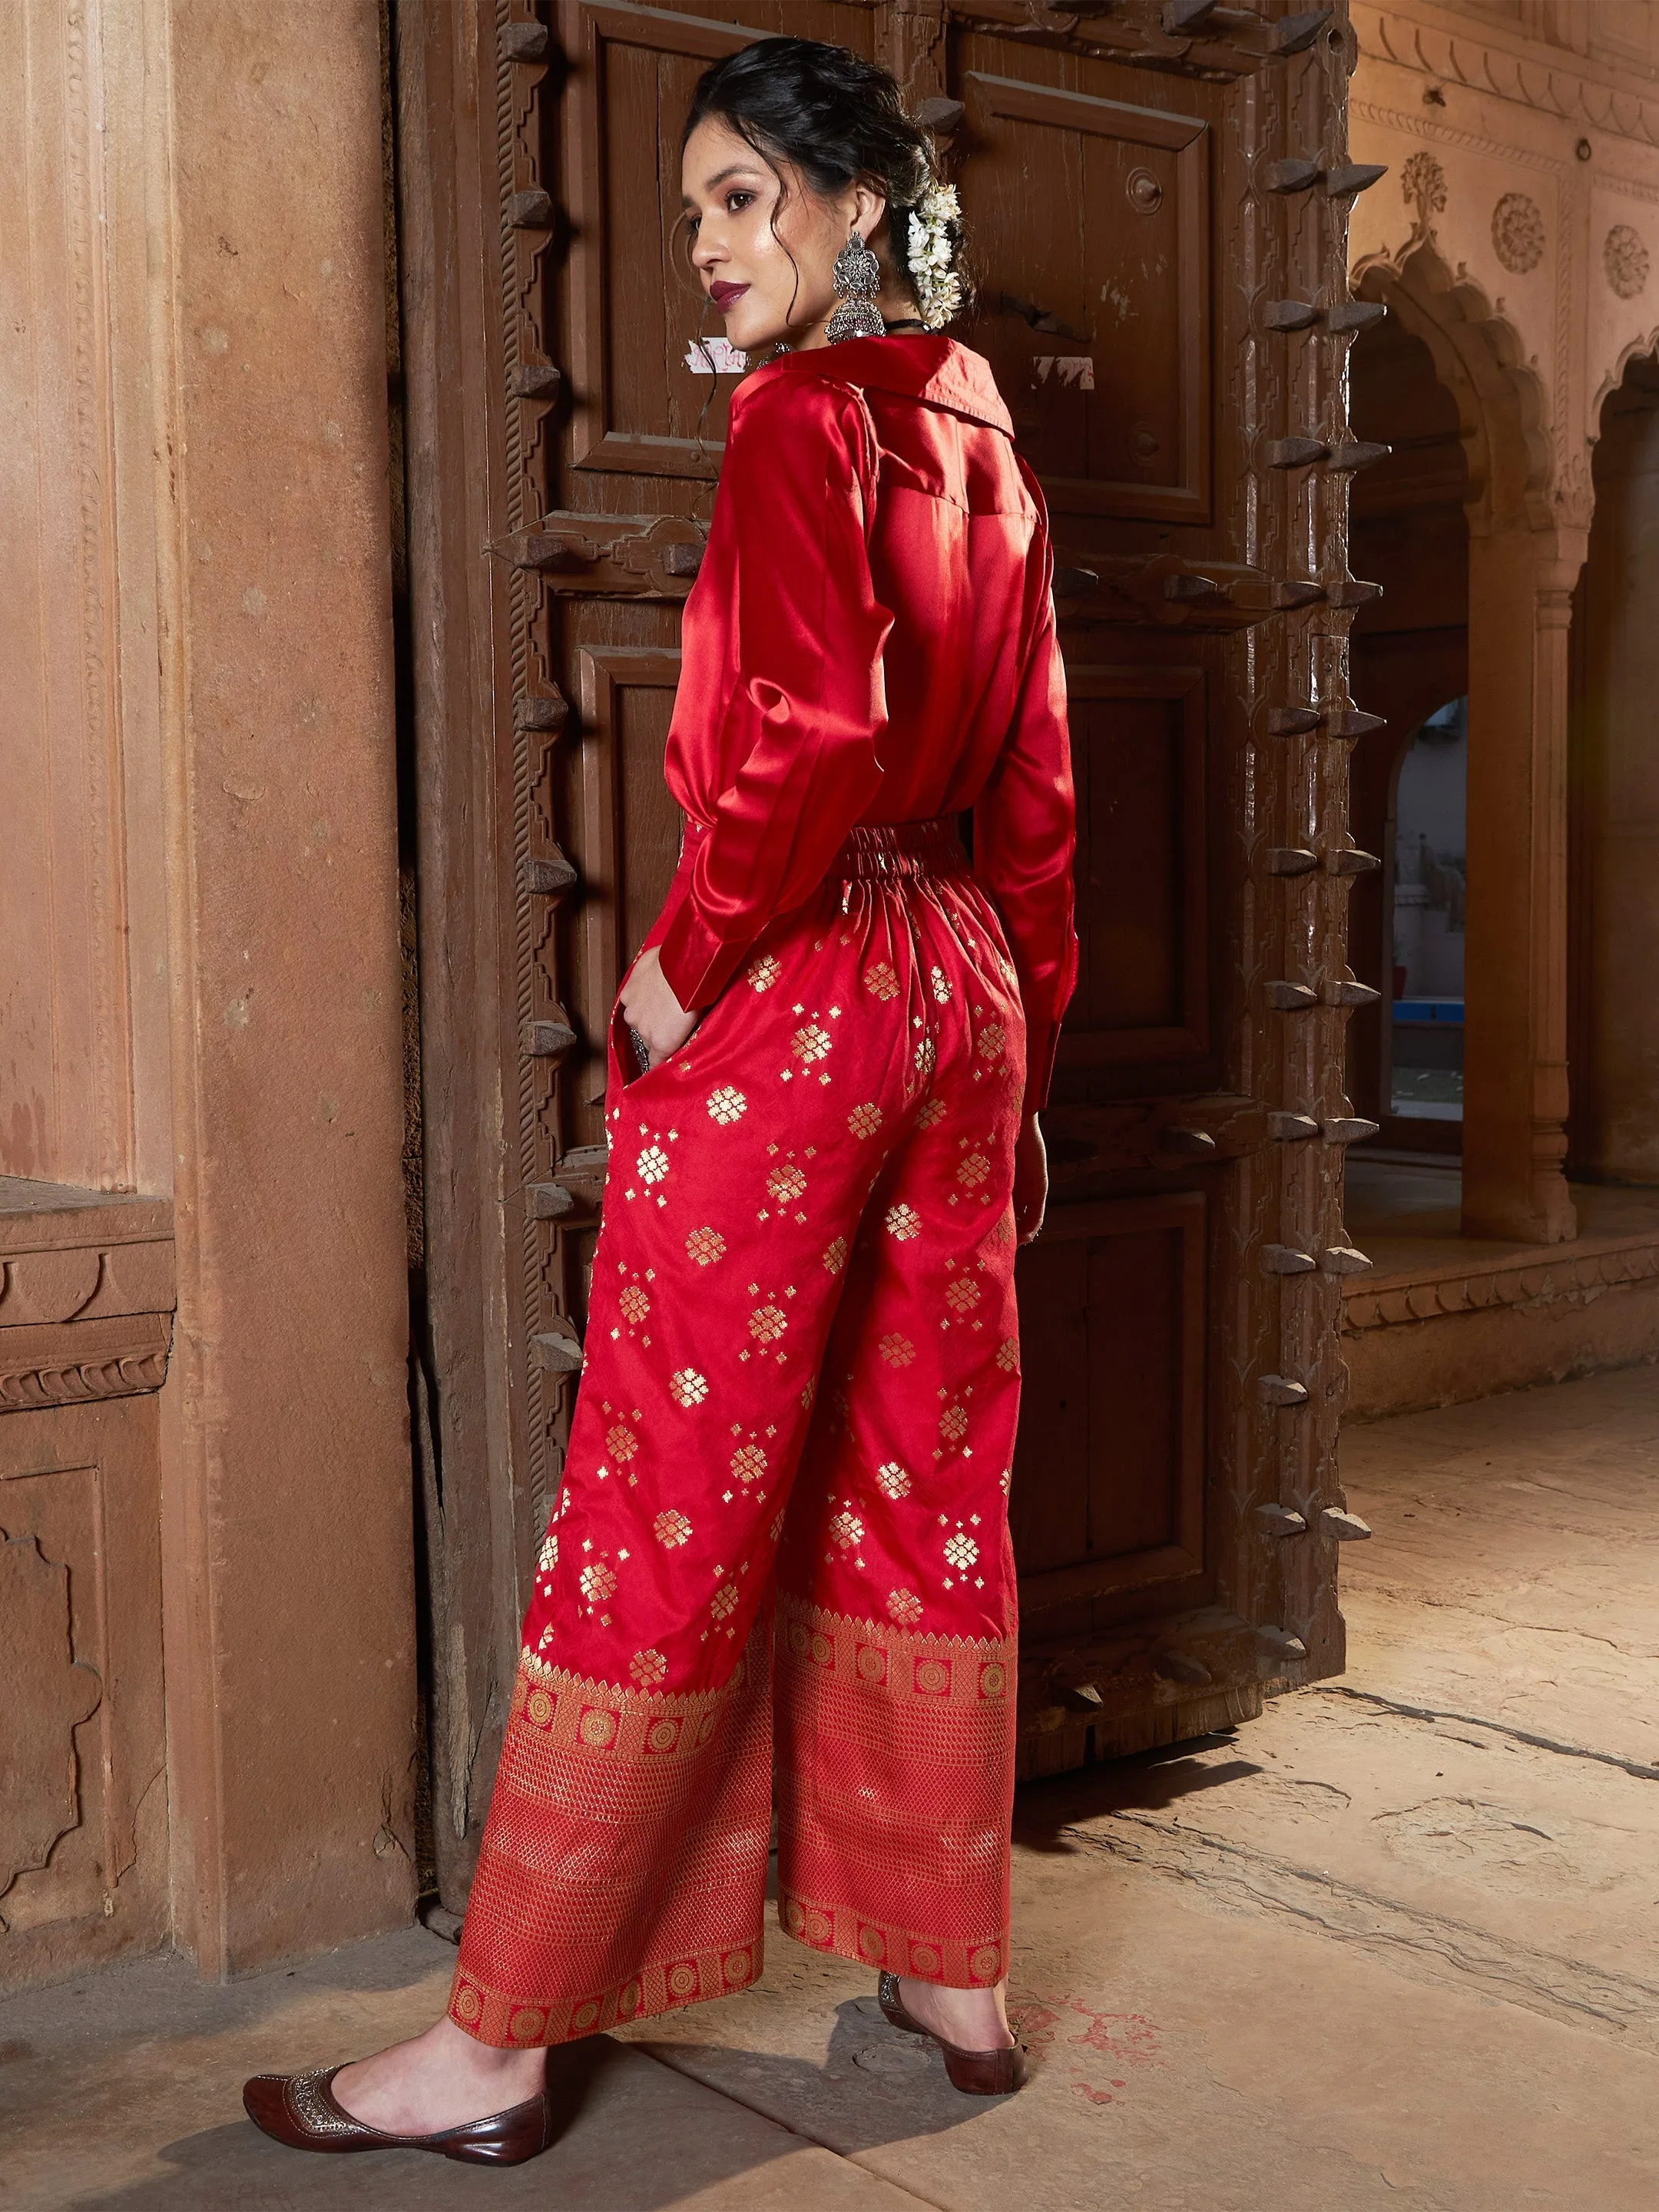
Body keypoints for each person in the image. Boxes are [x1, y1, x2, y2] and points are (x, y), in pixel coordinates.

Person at [243, 36, 1078, 2167]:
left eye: (740, 200)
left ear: (852, 206)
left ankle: (501, 2043)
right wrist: (1024, 1039)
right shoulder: (977, 413)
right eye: (695, 205)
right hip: (957, 987)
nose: (705, 246)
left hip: (797, 991)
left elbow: (798, 743)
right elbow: (1042, 784)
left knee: (661, 1495)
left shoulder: (810, 413)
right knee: (923, 1470)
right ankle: (951, 1972)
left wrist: (674, 972)